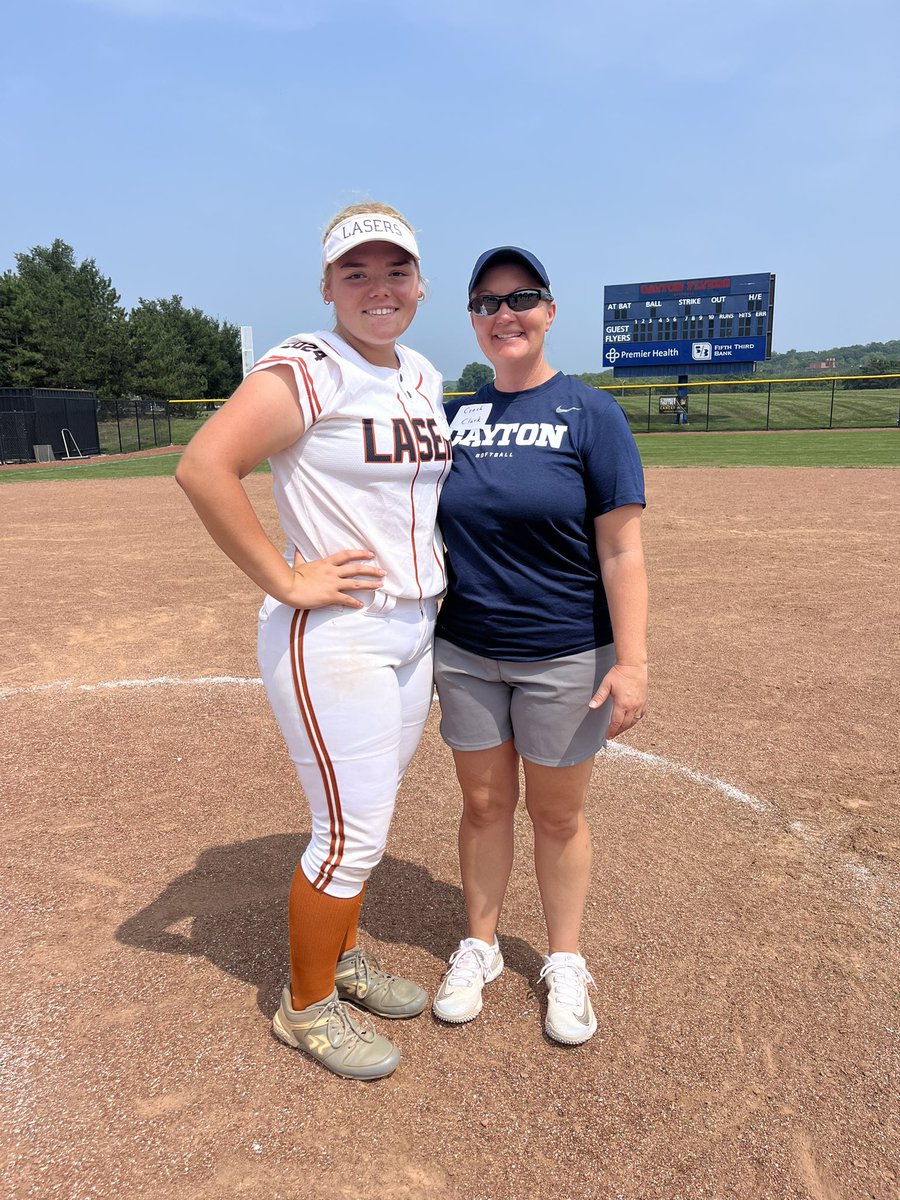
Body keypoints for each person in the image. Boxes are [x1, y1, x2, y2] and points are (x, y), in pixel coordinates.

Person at [176, 203, 452, 1080]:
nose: (379, 288)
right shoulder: (309, 365)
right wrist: (287, 580)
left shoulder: (422, 373)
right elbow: (203, 464)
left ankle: (339, 955)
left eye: (395, 271)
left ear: (420, 284)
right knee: (348, 833)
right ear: (327, 286)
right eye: (356, 273)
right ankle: (305, 1008)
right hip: (337, 634)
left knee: (362, 820)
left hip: (414, 628)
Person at [431, 246, 648, 1045]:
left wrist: (633, 662)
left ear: (550, 311)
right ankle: (480, 947)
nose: (504, 314)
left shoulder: (590, 413)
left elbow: (622, 551)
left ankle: (564, 960)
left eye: (521, 297)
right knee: (484, 804)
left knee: (558, 816)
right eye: (486, 302)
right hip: (467, 651)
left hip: (565, 653)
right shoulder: (455, 415)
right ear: (474, 320)